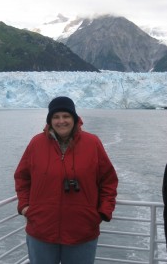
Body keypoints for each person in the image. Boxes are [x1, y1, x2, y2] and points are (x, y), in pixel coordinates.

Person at [14, 96, 118, 264]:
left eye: (66, 116)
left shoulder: (92, 143)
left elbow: (108, 181)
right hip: (41, 230)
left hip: (82, 231)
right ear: (50, 120)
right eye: (56, 117)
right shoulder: (36, 143)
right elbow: (22, 178)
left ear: (75, 119)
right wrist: (25, 206)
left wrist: (101, 212)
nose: (61, 121)